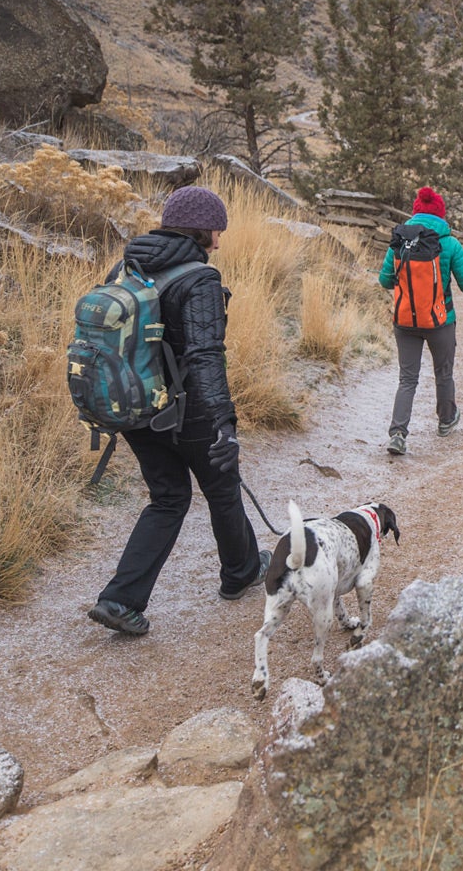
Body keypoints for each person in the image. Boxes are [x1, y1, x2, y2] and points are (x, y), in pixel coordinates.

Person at [88, 185, 267, 637]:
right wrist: (224, 422)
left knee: (168, 498)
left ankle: (119, 599)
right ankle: (240, 574)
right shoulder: (200, 279)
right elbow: (206, 356)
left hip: (135, 405)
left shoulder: (129, 266)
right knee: (222, 487)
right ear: (202, 231)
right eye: (217, 231)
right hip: (188, 409)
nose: (220, 241)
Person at [379, 186, 463, 455]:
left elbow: (384, 279)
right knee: (443, 373)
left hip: (405, 320)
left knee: (407, 379)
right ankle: (445, 421)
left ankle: (398, 433)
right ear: (441, 215)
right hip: (440, 321)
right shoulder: (450, 244)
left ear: (415, 213)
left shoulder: (399, 241)